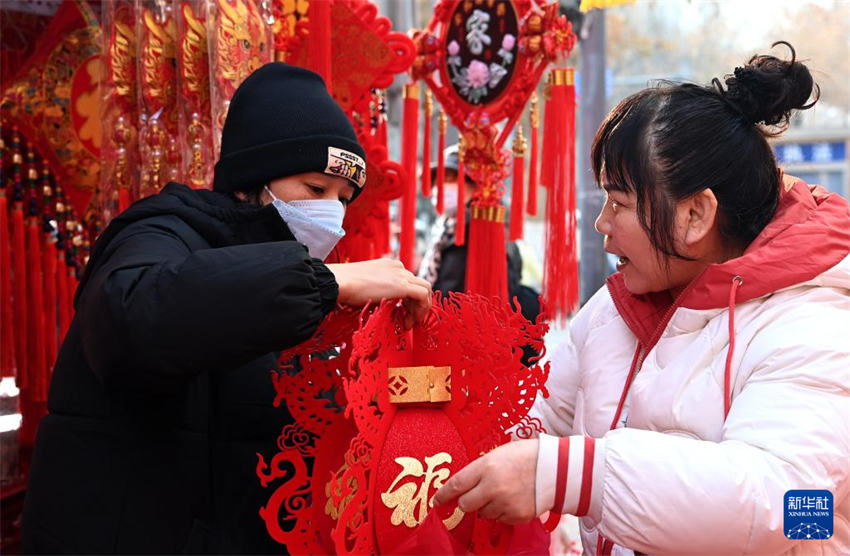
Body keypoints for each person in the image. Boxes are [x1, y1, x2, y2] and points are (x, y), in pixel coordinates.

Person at [435, 43, 850, 555]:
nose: (601, 224)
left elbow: (795, 509)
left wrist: (573, 476)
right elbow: (538, 422)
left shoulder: (814, 322)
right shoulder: (613, 311)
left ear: (695, 215)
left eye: (619, 202)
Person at [22, 63, 432, 554]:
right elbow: (129, 319)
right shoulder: (163, 231)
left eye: (344, 199)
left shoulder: (298, 285)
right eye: (315, 190)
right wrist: (327, 282)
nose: (333, 214)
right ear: (249, 182)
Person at [418, 144, 541, 324]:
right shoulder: (444, 230)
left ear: (475, 185)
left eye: (451, 178)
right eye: (438, 181)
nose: (441, 187)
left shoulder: (486, 231)